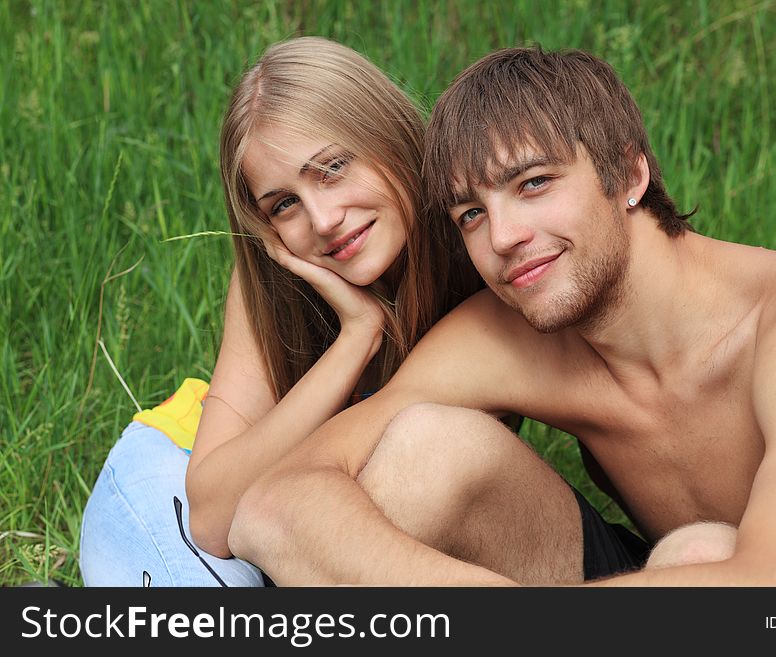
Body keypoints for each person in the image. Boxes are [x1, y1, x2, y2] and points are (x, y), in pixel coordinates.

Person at [227, 46, 776, 587]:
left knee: (702, 553)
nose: (503, 236)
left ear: (628, 173)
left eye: (533, 183)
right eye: (471, 214)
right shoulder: (507, 340)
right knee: (427, 451)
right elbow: (272, 505)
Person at [78, 36, 484, 586]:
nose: (322, 219)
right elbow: (213, 518)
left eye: (333, 168)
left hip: (298, 518)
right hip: (178, 478)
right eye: (284, 204)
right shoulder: (274, 281)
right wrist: (357, 336)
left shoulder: (483, 247)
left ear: (388, 135)